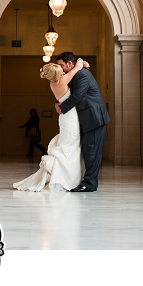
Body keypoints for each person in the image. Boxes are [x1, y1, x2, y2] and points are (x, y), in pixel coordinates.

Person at [13, 57, 88, 191]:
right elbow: (77, 68)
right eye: (61, 72)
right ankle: (67, 179)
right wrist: (81, 61)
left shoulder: (53, 84)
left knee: (67, 145)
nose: (63, 72)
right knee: (70, 147)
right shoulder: (63, 80)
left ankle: (66, 177)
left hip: (65, 118)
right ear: (57, 75)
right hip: (70, 118)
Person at [55, 51, 110, 192]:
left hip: (94, 118)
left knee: (92, 152)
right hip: (88, 119)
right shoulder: (76, 73)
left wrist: (62, 108)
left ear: (69, 63)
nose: (59, 69)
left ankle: (90, 184)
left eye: (61, 65)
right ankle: (86, 181)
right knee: (88, 151)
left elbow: (77, 96)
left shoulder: (82, 75)